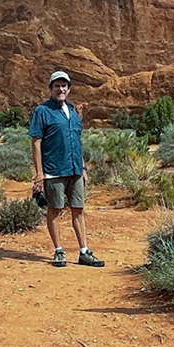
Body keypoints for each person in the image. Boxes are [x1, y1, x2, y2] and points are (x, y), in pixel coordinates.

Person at [29, 70, 103, 268]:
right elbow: (36, 142)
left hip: (75, 169)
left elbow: (76, 141)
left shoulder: (73, 111)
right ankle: (58, 251)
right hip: (53, 170)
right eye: (57, 86)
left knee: (78, 209)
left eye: (64, 86)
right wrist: (39, 174)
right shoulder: (42, 111)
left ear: (69, 89)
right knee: (55, 209)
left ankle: (84, 252)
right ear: (51, 89)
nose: (60, 89)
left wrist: (83, 167)